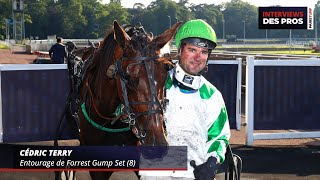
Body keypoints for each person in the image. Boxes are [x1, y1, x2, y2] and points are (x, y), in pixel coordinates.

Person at [139, 19, 231, 180]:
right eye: (192, 50)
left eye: (204, 52)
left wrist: (212, 161)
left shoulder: (212, 95)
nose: (198, 57)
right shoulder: (156, 84)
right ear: (180, 50)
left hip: (195, 173)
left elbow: (219, 137)